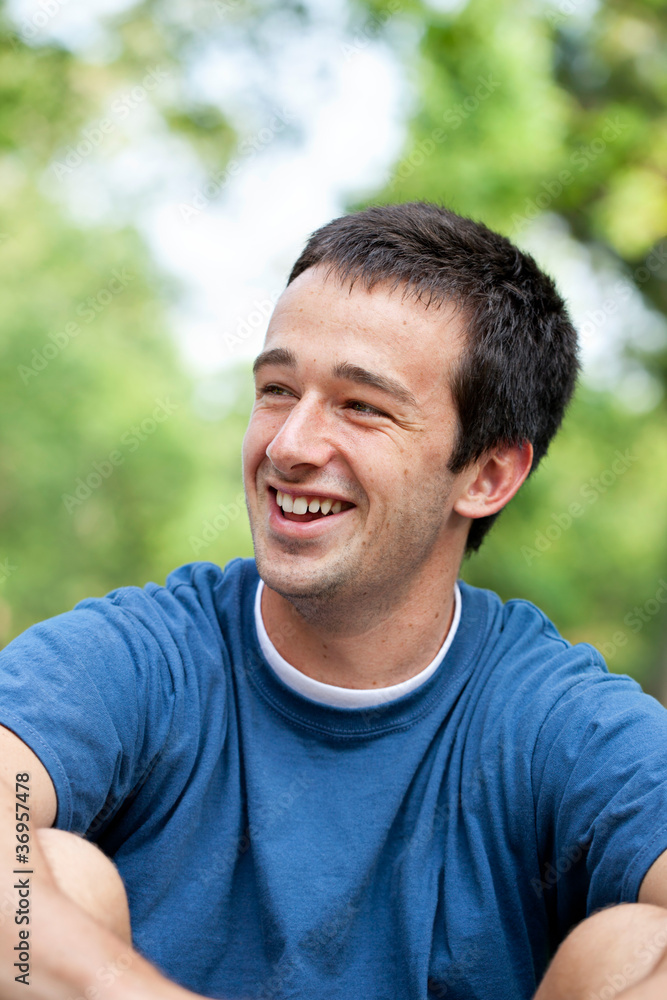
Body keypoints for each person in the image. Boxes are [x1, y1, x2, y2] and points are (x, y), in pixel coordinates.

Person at [2, 201, 667, 1000]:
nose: (289, 446)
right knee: (48, 880)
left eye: (361, 407)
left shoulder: (553, 719)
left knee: (637, 947)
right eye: (277, 390)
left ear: (487, 476)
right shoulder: (147, 655)